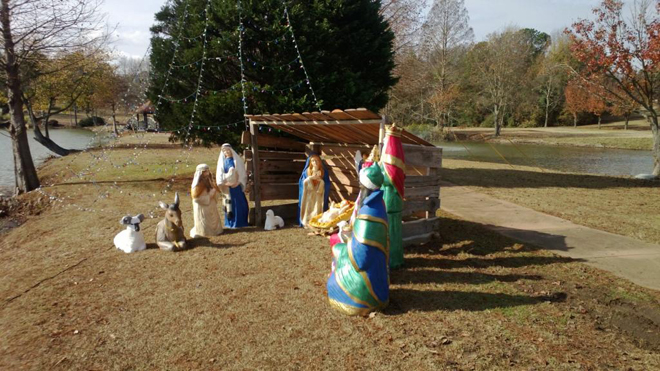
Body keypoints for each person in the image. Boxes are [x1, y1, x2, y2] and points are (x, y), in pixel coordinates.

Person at [327, 164, 389, 316]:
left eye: (361, 186)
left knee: (332, 283)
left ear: (367, 188)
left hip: (365, 276)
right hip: (376, 267)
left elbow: (360, 259)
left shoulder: (368, 214)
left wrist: (344, 246)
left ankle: (360, 299)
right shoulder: (378, 204)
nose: (359, 190)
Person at [380, 124, 406, 269]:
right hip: (389, 200)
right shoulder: (390, 162)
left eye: (385, 141)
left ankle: (393, 259)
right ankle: (391, 257)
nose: (384, 142)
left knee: (392, 232)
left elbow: (388, 179)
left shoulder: (392, 163)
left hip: (390, 201)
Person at [216, 143, 249, 228]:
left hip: (236, 186)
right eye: (224, 151)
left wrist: (238, 182)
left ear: (231, 150)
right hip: (227, 187)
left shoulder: (236, 161)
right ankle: (230, 222)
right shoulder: (222, 163)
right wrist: (224, 183)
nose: (226, 152)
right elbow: (220, 174)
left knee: (239, 204)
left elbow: (241, 172)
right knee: (229, 204)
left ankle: (240, 222)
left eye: (228, 150)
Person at [190, 164, 223, 238]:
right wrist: (209, 196)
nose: (207, 173)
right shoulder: (197, 185)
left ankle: (216, 230)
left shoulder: (209, 181)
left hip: (211, 205)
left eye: (208, 171)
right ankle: (204, 231)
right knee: (204, 220)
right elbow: (196, 199)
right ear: (200, 173)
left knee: (213, 218)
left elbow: (215, 190)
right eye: (205, 172)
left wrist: (215, 192)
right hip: (203, 208)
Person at [298, 153, 330, 227]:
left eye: (317, 161)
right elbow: (302, 183)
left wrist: (321, 182)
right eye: (313, 161)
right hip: (309, 194)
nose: (315, 163)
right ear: (310, 162)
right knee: (309, 208)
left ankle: (317, 221)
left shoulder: (323, 172)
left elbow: (327, 183)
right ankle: (308, 221)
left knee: (318, 208)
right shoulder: (306, 172)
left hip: (319, 194)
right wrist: (309, 179)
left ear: (320, 162)